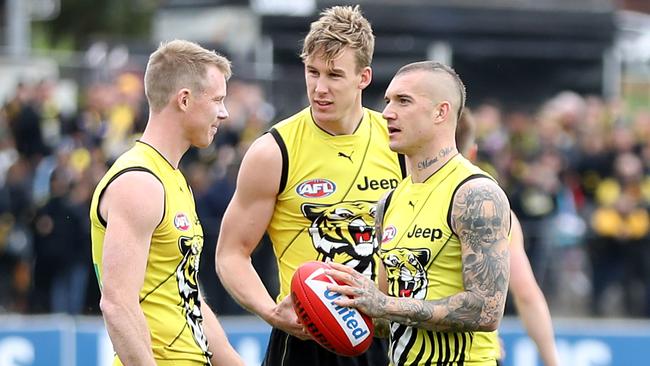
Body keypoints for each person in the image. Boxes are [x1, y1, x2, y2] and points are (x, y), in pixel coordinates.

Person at [215, 5, 405, 366]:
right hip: (305, 338)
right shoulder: (274, 151)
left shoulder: (400, 144)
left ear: (363, 77)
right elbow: (230, 254)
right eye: (312, 71)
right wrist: (272, 311)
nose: (319, 88)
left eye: (334, 75)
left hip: (384, 335)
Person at [325, 61, 511, 365]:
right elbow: (384, 322)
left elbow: (486, 309)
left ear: (441, 112)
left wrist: (384, 304)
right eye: (387, 101)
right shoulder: (389, 202)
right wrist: (332, 302)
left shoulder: (475, 193)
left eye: (404, 101)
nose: (387, 113)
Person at [90, 40, 243, 366]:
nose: (224, 113)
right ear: (184, 100)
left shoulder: (170, 178)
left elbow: (186, 295)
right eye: (217, 100)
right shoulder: (139, 182)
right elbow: (117, 303)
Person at [457, 109, 559, 365]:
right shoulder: (493, 210)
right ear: (472, 153)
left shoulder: (392, 200)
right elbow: (526, 293)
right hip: (473, 354)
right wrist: (552, 361)